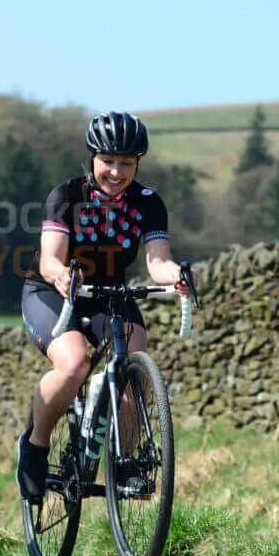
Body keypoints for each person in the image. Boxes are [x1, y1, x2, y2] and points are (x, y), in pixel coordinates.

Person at [16, 111, 196, 502]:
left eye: (126, 163)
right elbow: (50, 259)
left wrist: (175, 274)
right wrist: (62, 275)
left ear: (138, 164)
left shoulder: (148, 203)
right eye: (108, 161)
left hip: (109, 292)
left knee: (134, 361)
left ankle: (127, 463)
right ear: (93, 158)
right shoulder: (66, 195)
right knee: (75, 363)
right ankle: (34, 446)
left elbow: (157, 261)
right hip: (51, 291)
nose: (116, 172)